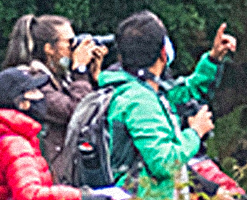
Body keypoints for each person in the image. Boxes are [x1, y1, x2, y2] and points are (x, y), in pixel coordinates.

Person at [98, 10, 235, 199]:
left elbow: (188, 92)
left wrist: (213, 59)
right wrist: (195, 132)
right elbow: (164, 163)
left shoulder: (136, 88)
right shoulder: (139, 101)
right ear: (163, 53)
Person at [0, 14, 108, 183]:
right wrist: (80, 71)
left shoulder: (62, 78)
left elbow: (93, 115)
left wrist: (93, 78)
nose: (73, 48)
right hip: (46, 176)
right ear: (49, 48)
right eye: (69, 42)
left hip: (63, 172)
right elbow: (76, 114)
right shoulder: (34, 82)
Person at [0, 68, 109, 200]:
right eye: (33, 91)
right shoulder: (16, 145)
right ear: (21, 103)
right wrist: (81, 196)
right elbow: (30, 195)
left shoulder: (17, 138)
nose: (41, 95)